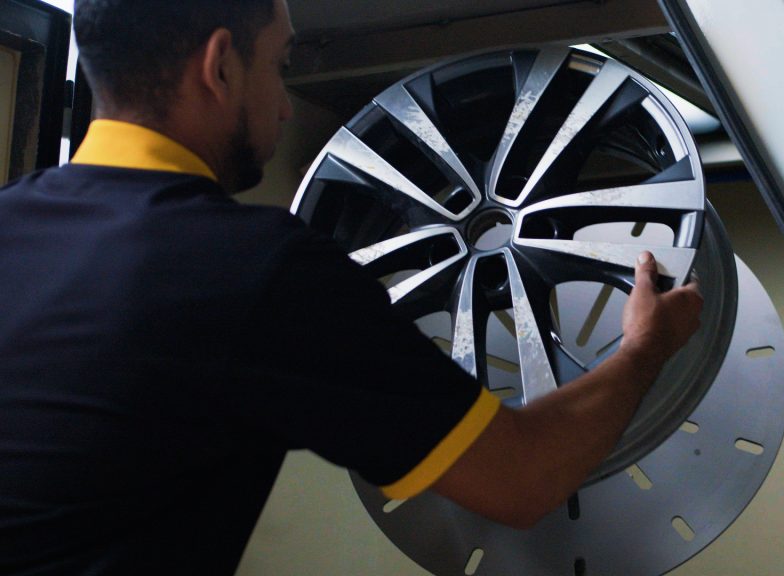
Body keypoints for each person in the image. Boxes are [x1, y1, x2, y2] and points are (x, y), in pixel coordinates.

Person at [0, 0, 704, 574]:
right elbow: (522, 479)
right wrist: (646, 346)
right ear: (219, 66)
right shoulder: (258, 270)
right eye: (278, 68)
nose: (284, 107)